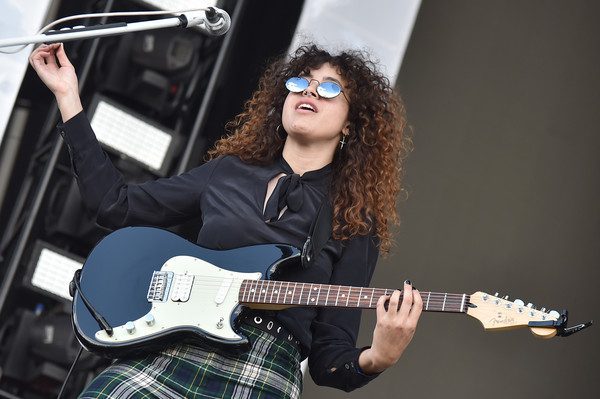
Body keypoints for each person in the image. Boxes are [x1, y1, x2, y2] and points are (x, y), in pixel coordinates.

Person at [29, 41, 422, 398]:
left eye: (330, 88)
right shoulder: (227, 172)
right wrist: (69, 98)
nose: (309, 91)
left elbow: (328, 360)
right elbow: (114, 205)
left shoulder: (353, 219)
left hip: (262, 367)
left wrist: (378, 357)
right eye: (301, 82)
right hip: (171, 347)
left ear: (351, 123)